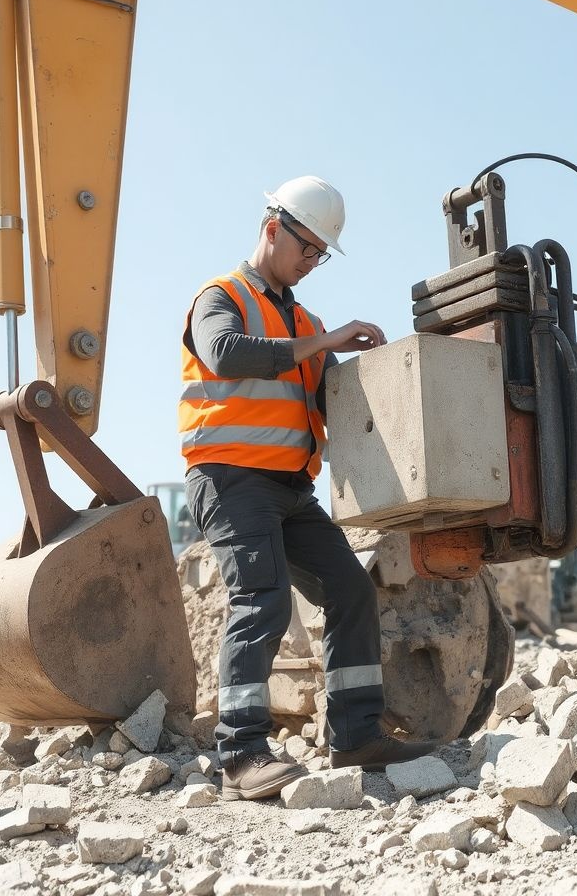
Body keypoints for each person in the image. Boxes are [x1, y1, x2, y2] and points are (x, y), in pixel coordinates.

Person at [180, 175, 437, 801]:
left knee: (351, 590)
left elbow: (332, 399)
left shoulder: (306, 322)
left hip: (291, 489)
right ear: (273, 230)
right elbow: (226, 354)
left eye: (322, 255)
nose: (314, 264)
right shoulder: (222, 296)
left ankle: (355, 734)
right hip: (231, 479)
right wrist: (323, 342)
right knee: (262, 600)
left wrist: (391, 368)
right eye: (309, 250)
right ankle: (239, 755)